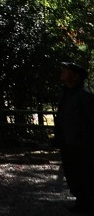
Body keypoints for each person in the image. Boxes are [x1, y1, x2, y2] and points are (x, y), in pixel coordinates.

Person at [57, 61, 94, 213]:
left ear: (75, 76)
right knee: (72, 175)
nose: (62, 73)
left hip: (81, 145)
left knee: (84, 176)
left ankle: (88, 204)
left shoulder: (85, 96)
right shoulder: (66, 94)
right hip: (67, 143)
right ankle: (82, 202)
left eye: (65, 71)